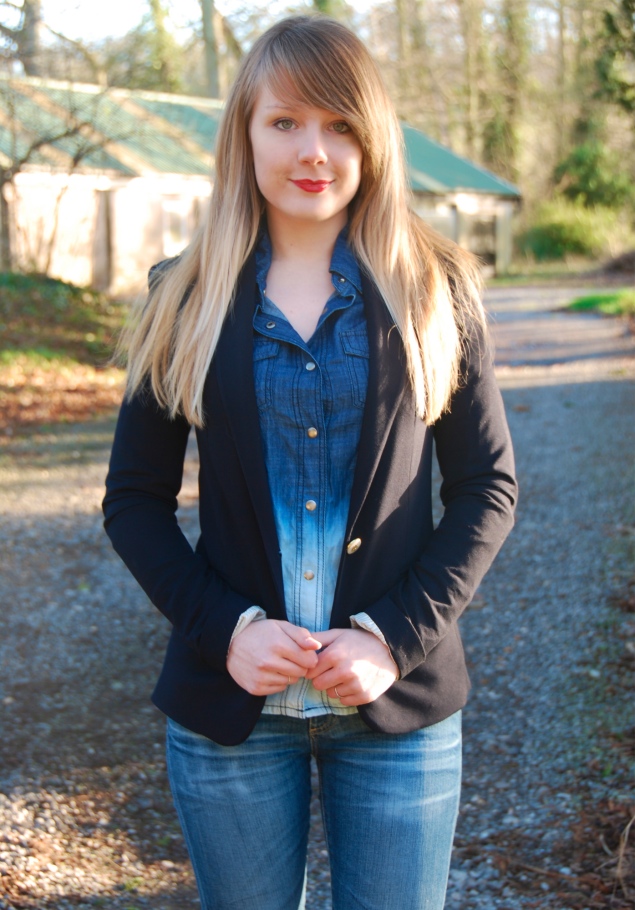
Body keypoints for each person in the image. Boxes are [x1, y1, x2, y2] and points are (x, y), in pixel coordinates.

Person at [103, 14, 517, 910]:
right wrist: (228, 630)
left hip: (396, 708)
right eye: (284, 121)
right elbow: (134, 501)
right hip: (232, 715)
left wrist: (390, 639)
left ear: (370, 139)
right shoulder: (182, 295)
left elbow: (487, 489)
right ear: (244, 132)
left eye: (338, 124)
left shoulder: (434, 288)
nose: (313, 150)